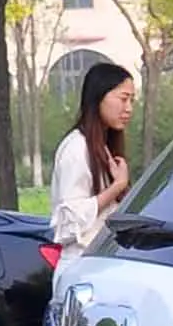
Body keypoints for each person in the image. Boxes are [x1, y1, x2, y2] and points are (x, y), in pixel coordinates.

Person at [50, 61, 135, 254]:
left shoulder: (104, 147)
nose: (129, 108)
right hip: (81, 264)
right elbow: (70, 222)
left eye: (132, 100)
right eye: (123, 99)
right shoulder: (76, 148)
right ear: (99, 97)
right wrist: (117, 187)